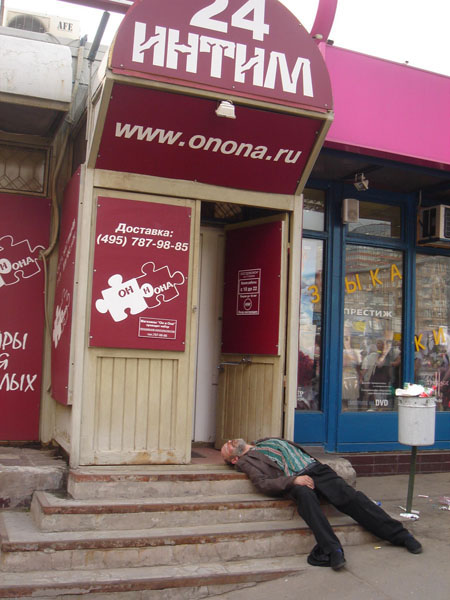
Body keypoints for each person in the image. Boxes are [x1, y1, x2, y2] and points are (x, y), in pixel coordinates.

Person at [221, 437, 422, 570]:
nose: (231, 440)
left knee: (351, 497)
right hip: (296, 480)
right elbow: (263, 483)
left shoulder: (265, 441)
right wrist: (294, 480)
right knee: (306, 500)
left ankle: (401, 536)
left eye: (229, 440)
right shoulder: (246, 462)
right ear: (234, 459)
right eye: (228, 446)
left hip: (317, 470)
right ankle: (333, 550)